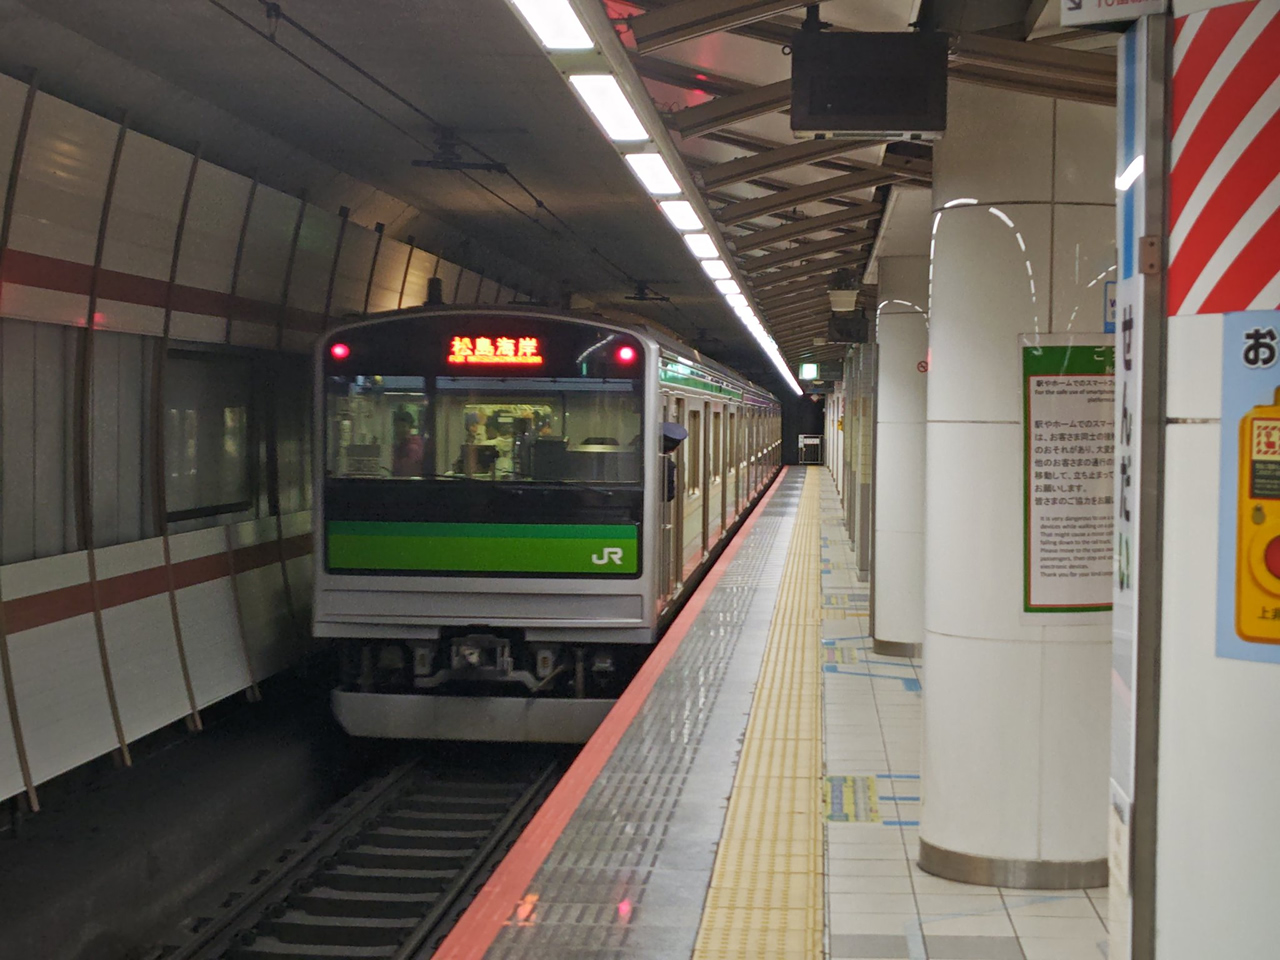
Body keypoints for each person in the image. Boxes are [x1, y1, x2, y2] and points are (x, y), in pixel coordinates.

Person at [391, 409, 425, 477]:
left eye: (403, 426)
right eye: (397, 426)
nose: (400, 430)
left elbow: (406, 472)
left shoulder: (413, 447)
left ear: (410, 428)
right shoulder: (398, 446)